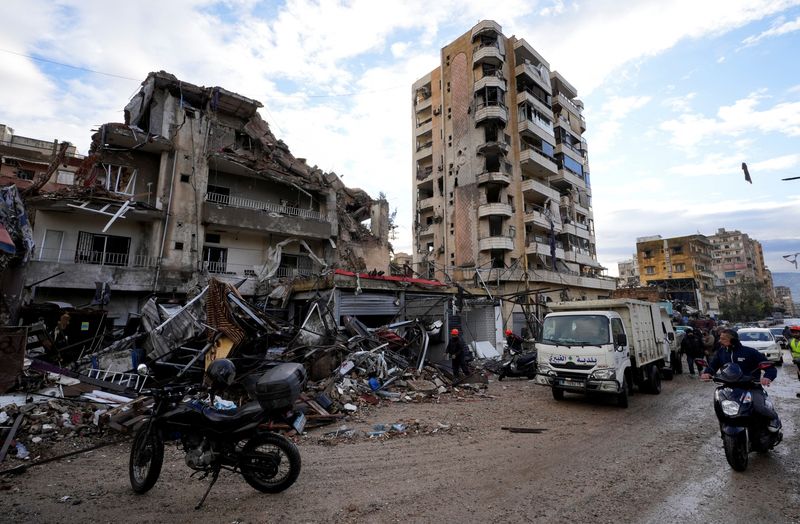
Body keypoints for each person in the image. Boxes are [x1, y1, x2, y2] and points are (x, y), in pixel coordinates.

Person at [700, 329, 782, 431]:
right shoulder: (721, 352)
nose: (719, 341)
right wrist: (707, 373)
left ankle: (774, 418)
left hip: (751, 387)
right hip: (729, 388)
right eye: (720, 338)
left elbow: (769, 367)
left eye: (723, 339)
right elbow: (713, 365)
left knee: (758, 407)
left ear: (733, 340)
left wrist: (767, 377)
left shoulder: (750, 352)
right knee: (720, 406)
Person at [789, 326, 800, 398]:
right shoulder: (792, 341)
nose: (795, 334)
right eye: (793, 332)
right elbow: (792, 351)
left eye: (796, 332)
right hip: (797, 362)